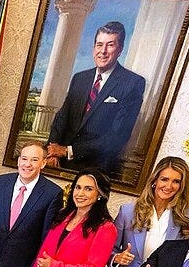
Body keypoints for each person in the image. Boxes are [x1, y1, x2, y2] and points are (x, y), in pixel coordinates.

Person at [47, 21, 146, 176]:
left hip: (97, 170)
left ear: (120, 49)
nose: (103, 51)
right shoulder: (80, 78)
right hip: (60, 163)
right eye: (99, 45)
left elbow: (117, 137)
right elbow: (62, 117)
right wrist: (53, 150)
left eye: (110, 45)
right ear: (94, 48)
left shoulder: (133, 83)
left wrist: (67, 151)